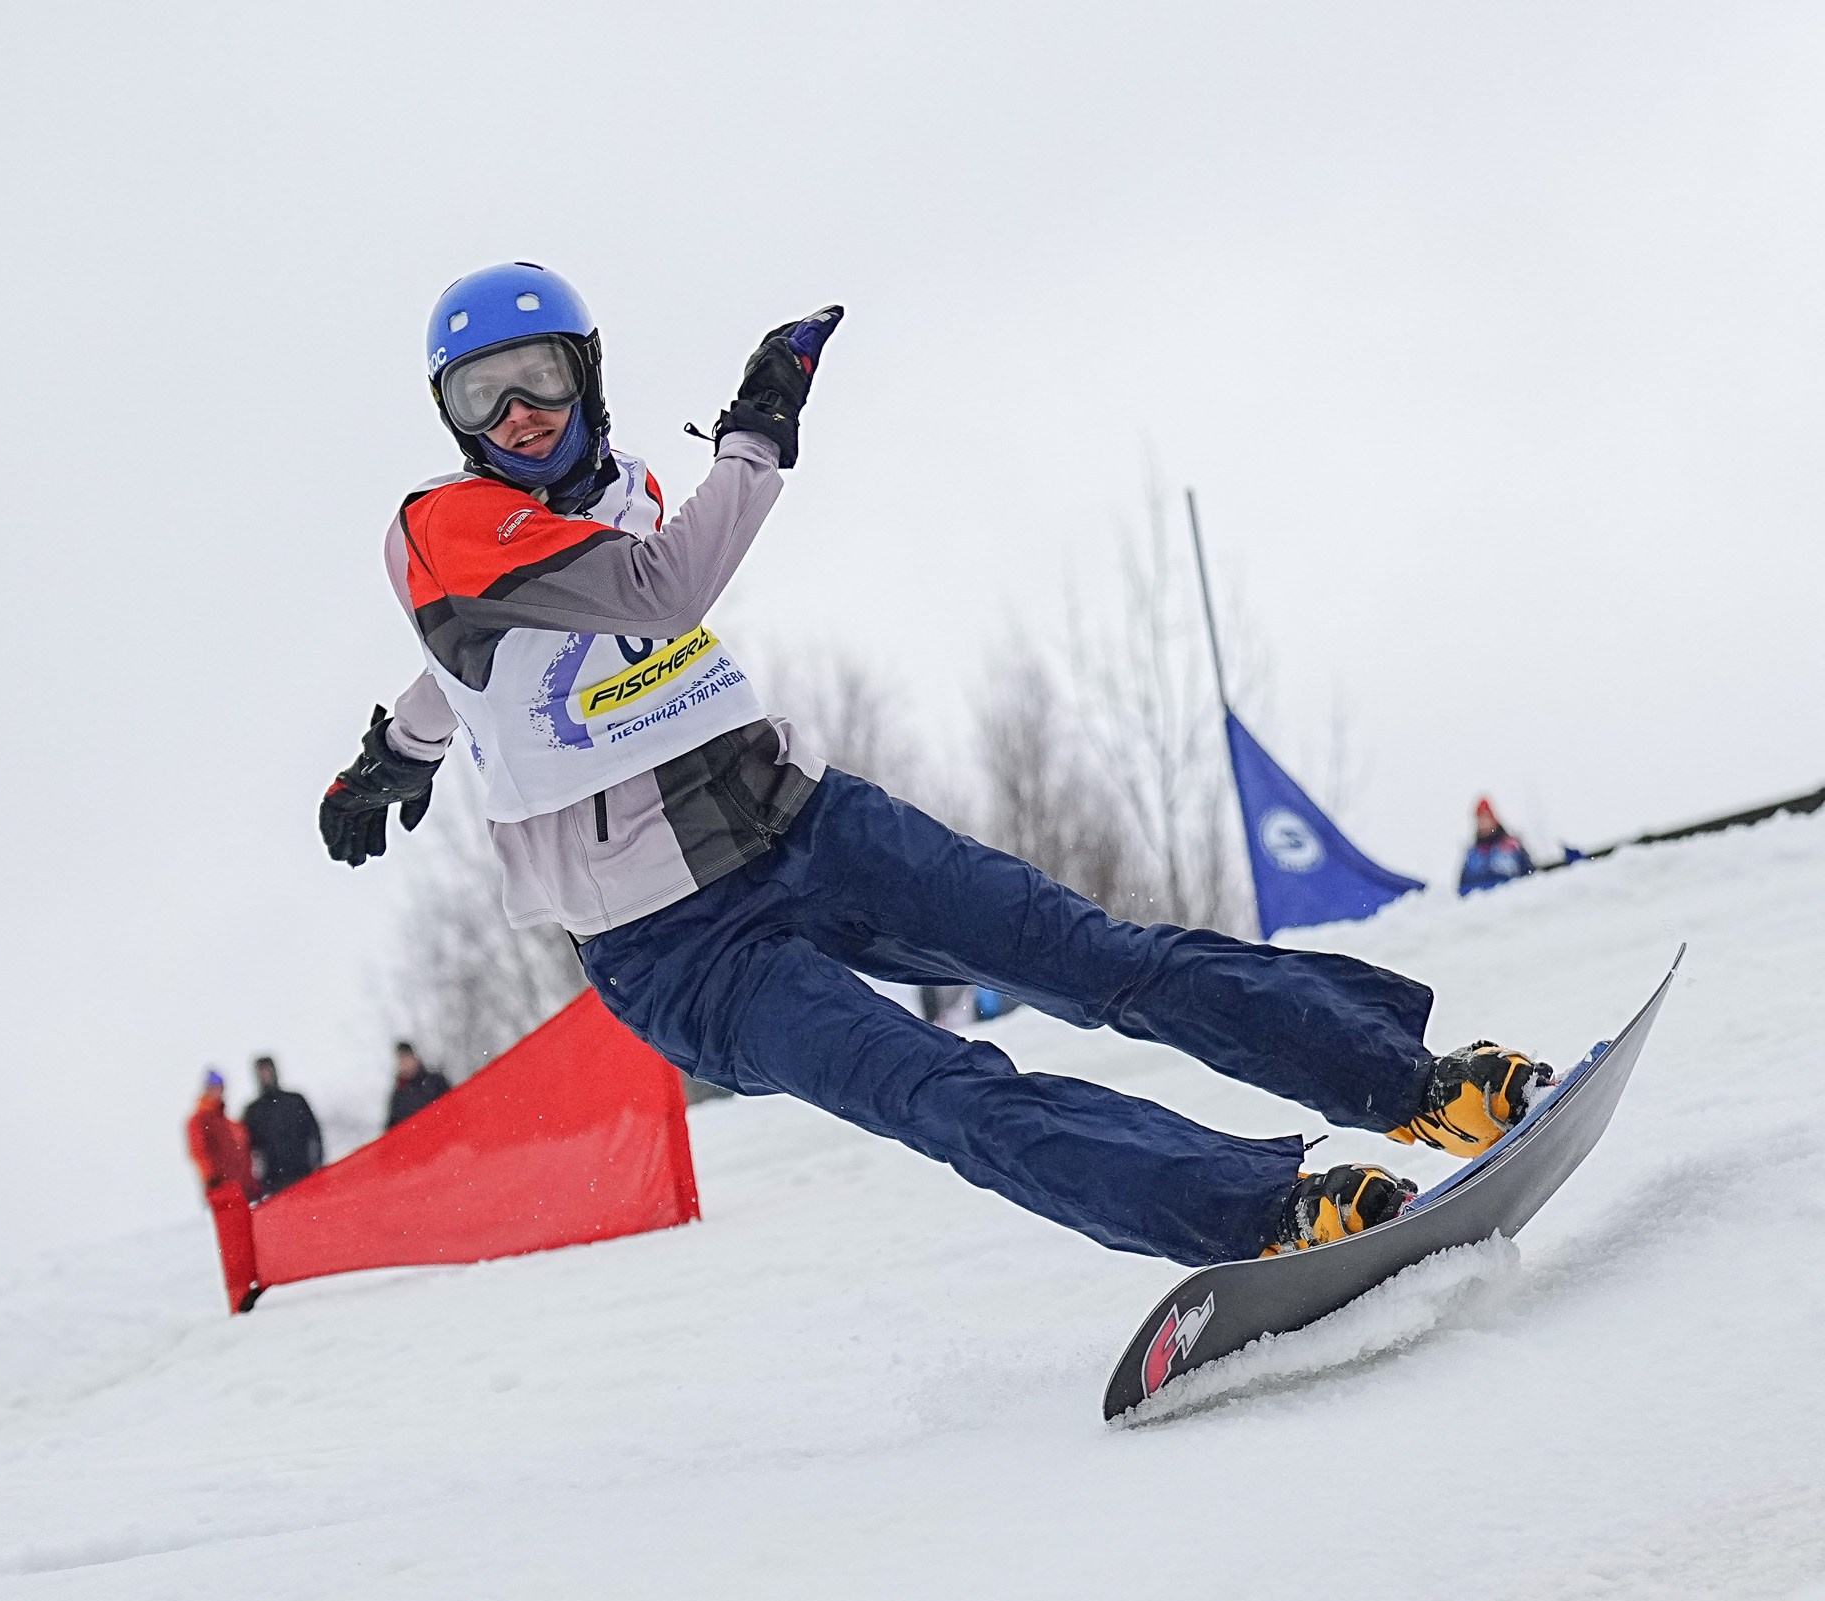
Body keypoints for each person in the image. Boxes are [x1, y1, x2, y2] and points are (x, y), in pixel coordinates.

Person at [319, 261, 1554, 1264]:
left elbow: (473, 673)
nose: (517, 416)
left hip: (802, 823)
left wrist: (398, 754)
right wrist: (755, 435)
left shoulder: (623, 487)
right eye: (481, 397)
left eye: (537, 378)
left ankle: (1415, 1085)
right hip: (679, 947)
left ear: (584, 372)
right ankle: (1268, 1214)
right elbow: (660, 589)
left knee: (1097, 957)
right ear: (448, 416)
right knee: (946, 1088)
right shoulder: (445, 525)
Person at [241, 1055, 324, 1195]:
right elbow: (247, 1148)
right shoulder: (253, 1111)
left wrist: (317, 1163)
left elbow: (314, 1133)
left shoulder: (295, 1101)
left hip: (303, 1174)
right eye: (262, 1071)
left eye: (268, 1070)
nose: (266, 1075)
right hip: (273, 1183)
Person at [185, 1070, 257, 1202]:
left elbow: (244, 1152)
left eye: (219, 1087)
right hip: (223, 1190)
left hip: (245, 1189)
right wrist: (211, 1178)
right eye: (213, 1087)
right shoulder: (199, 1120)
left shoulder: (230, 1123)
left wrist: (252, 1183)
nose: (217, 1092)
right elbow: (198, 1151)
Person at [1458, 796, 1537, 896]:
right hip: (1481, 903)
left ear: (1493, 819)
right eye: (1480, 819)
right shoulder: (1472, 854)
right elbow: (1462, 887)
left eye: (1486, 817)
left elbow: (1530, 876)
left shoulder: (1512, 846)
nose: (1483, 823)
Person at [386, 1042, 451, 1131]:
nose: (403, 1063)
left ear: (415, 1058)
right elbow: (392, 1128)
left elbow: (452, 1108)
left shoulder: (435, 1081)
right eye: (401, 1060)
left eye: (406, 1058)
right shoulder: (399, 1094)